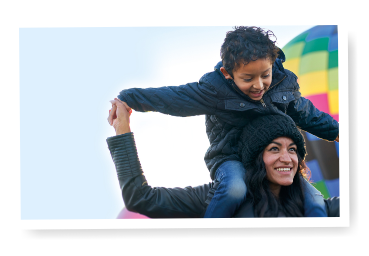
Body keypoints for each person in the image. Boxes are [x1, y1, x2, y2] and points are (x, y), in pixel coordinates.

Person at [115, 26, 339, 218]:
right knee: (233, 189)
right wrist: (129, 100)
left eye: (292, 149)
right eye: (248, 78)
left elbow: (308, 114)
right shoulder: (215, 91)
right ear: (227, 73)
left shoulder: (284, 84)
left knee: (315, 199)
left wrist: (338, 132)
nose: (259, 86)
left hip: (269, 163)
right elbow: (175, 98)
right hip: (229, 156)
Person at [106, 98, 339, 218]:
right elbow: (140, 198)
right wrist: (122, 130)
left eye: (293, 149)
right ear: (256, 157)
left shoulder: (316, 207)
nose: (287, 158)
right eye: (274, 149)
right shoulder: (219, 198)